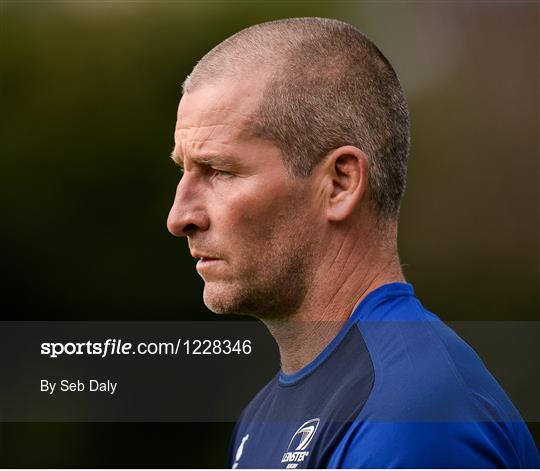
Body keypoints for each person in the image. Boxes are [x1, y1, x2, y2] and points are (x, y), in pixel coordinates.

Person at [166, 17, 538, 468]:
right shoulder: (262, 418)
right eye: (182, 170)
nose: (179, 217)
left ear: (340, 183)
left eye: (219, 171)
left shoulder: (412, 416)